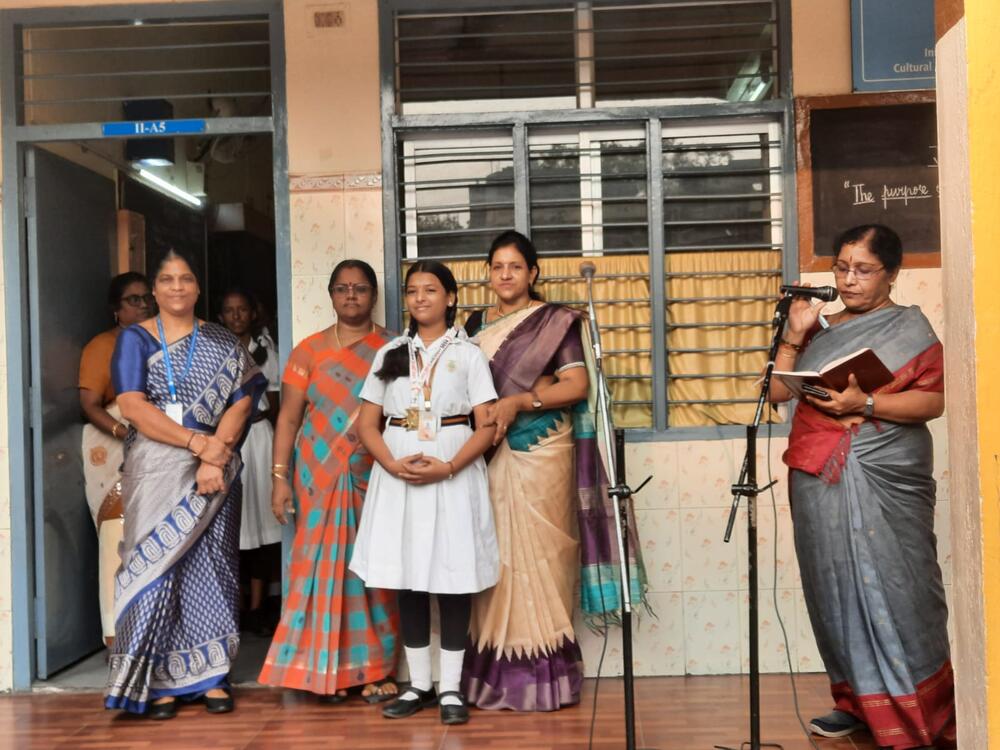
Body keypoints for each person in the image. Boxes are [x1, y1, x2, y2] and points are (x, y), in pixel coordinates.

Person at [771, 224, 954, 749]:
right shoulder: (818, 328)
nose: (848, 279)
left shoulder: (911, 331)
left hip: (886, 469)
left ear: (892, 274)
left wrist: (865, 405)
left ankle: (921, 711)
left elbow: (932, 403)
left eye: (863, 269)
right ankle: (854, 703)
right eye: (841, 267)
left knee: (903, 585)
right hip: (819, 471)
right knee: (832, 584)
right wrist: (794, 334)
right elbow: (780, 395)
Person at [460, 230, 647, 711]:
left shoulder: (556, 322)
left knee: (542, 559)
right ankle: (493, 675)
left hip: (541, 448)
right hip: (489, 450)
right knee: (495, 558)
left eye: (515, 267)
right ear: (488, 272)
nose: (506, 275)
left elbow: (577, 385)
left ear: (533, 273)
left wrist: (520, 400)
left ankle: (547, 678)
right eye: (497, 266)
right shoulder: (473, 323)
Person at [105, 249, 265, 719]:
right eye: (167, 280)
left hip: (215, 466)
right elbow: (133, 406)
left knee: (212, 566)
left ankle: (213, 676)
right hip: (155, 466)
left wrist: (218, 452)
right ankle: (156, 682)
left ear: (197, 289)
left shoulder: (218, 340)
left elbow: (246, 394)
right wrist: (199, 445)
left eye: (187, 279)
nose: (177, 286)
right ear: (154, 290)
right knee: (153, 566)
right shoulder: (135, 339)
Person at [348, 260, 500, 726]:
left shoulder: (469, 354)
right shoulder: (391, 352)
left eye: (431, 290)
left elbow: (488, 423)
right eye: (412, 291)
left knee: (452, 579)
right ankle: (419, 685)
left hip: (453, 469)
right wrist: (392, 463)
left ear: (450, 298)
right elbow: (367, 425)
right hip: (398, 474)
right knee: (408, 577)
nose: (420, 298)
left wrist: (450, 465)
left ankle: (451, 688)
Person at [259, 260, 401, 703]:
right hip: (316, 475)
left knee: (373, 572)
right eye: (342, 289)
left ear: (374, 295)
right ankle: (322, 670)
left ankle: (375, 669)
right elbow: (288, 417)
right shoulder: (308, 351)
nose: (351, 296)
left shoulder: (394, 348)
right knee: (315, 570)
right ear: (331, 295)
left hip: (375, 473)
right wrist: (280, 477)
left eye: (360, 288)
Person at [79, 272, 153, 647]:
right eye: (133, 300)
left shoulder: (163, 342)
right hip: (113, 445)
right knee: (117, 537)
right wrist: (126, 433)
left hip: (157, 443)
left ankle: (149, 633)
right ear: (116, 309)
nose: (142, 306)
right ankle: (115, 637)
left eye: (145, 299)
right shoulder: (102, 346)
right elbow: (90, 405)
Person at [218, 288, 282, 634]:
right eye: (230, 310)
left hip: (258, 438)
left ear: (251, 313)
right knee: (234, 522)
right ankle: (236, 602)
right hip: (226, 441)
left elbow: (274, 402)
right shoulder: (214, 350)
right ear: (221, 316)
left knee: (259, 517)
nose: (237, 316)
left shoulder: (264, 350)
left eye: (242, 309)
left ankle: (258, 605)